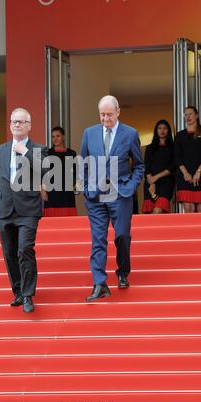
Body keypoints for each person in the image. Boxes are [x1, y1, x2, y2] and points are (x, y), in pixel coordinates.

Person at [80, 95, 144, 301]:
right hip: (96, 196)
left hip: (120, 193)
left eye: (109, 114)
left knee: (122, 235)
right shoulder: (89, 133)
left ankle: (123, 271)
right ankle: (99, 283)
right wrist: (86, 188)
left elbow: (139, 164)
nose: (105, 118)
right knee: (98, 239)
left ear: (118, 112)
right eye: (102, 114)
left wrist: (132, 185)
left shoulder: (130, 134)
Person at [0, 108, 48, 313]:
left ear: (29, 125)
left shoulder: (39, 149)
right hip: (4, 208)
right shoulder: (0, 150)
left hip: (28, 208)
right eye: (14, 121)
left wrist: (25, 152)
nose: (17, 125)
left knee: (24, 249)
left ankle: (28, 295)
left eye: (21, 122)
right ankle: (18, 292)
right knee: (9, 253)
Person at [175, 106, 201, 213]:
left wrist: (198, 172)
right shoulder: (179, 135)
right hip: (185, 177)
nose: (188, 117)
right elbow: (177, 157)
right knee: (188, 208)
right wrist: (185, 173)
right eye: (186, 114)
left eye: (190, 114)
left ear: (196, 116)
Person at [142, 120, 175, 214]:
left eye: (165, 128)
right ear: (156, 130)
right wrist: (151, 181)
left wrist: (155, 178)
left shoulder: (173, 147)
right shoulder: (150, 148)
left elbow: (173, 166)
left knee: (158, 210)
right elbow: (146, 166)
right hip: (150, 183)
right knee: (150, 213)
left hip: (166, 183)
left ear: (168, 130)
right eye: (159, 128)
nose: (162, 130)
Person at [43, 126, 77, 216]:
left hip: (67, 193)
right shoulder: (47, 153)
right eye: (53, 136)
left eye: (58, 136)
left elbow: (76, 173)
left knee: (69, 224)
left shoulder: (72, 153)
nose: (55, 139)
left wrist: (76, 186)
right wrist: (42, 191)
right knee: (51, 224)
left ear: (63, 137)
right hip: (51, 194)